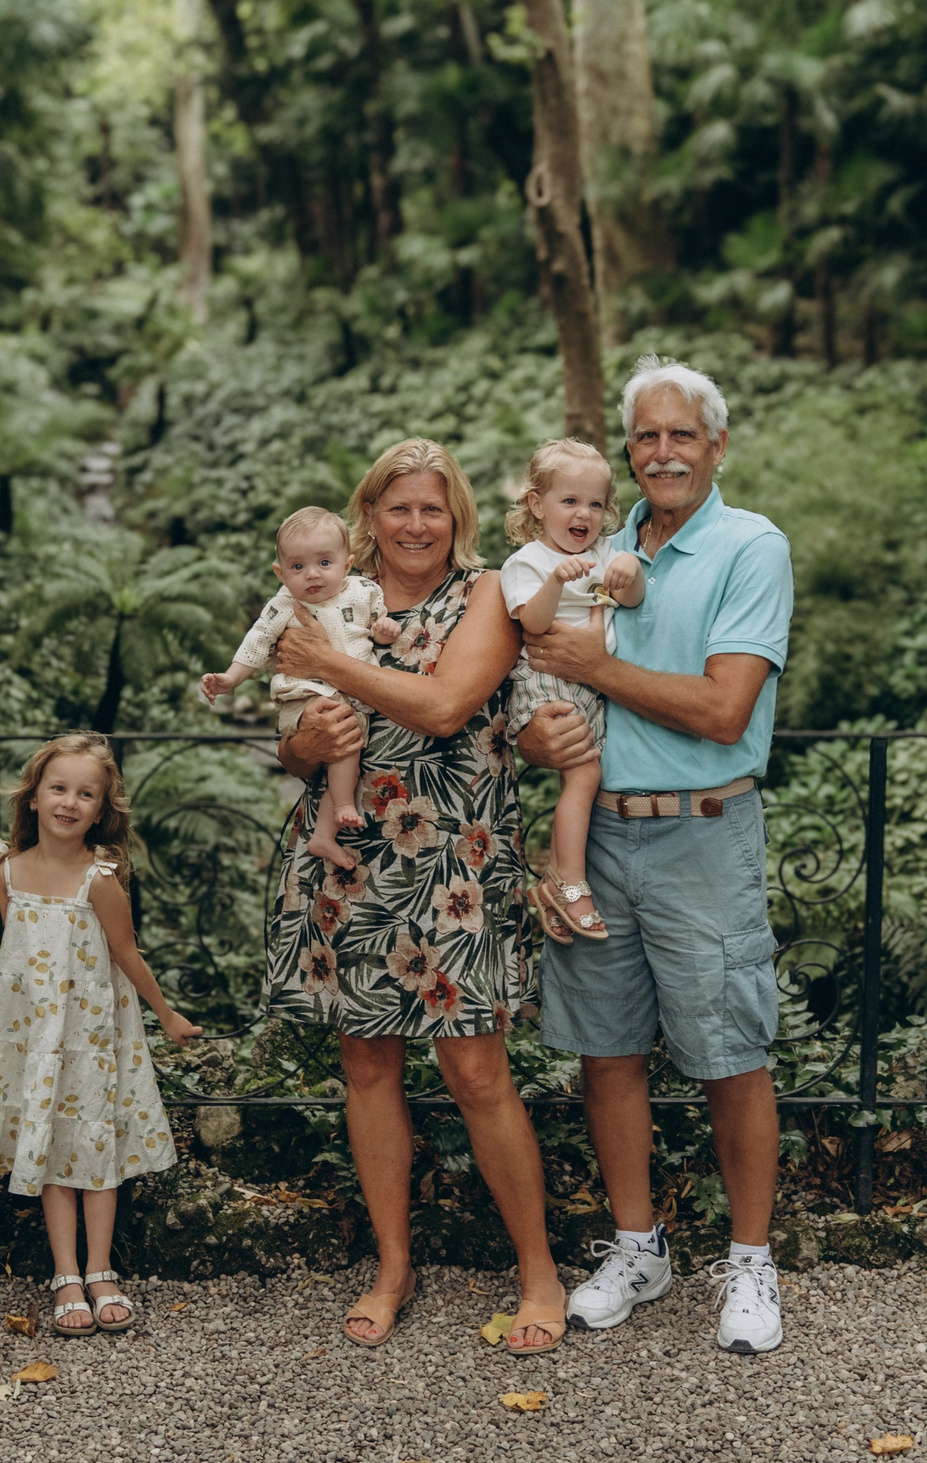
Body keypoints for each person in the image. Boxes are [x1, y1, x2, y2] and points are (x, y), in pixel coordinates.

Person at [262, 438, 568, 1355]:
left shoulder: (484, 594)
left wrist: (330, 662)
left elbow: (443, 706)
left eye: (433, 508)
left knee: (477, 1072)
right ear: (370, 516)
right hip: (351, 853)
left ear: (457, 517)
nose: (415, 524)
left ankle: (540, 1273)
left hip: (454, 861)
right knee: (366, 1068)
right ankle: (392, 1264)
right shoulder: (333, 594)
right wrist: (309, 737)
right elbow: (291, 749)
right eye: (398, 508)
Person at [515, 357, 795, 1355]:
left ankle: (751, 1261)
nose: (663, 453)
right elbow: (536, 692)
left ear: (715, 444)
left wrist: (599, 667)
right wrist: (532, 740)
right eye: (645, 436)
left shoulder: (748, 547)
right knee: (606, 1051)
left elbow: (725, 712)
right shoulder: (592, 542)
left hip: (701, 832)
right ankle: (639, 1246)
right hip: (594, 835)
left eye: (681, 435)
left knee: (730, 1052)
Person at [0, 734, 202, 1336]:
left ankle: (100, 1267)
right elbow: (23, 956)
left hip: (90, 1033)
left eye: (86, 794)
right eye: (58, 788)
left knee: (93, 1141)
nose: (70, 802)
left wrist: (166, 1014)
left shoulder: (101, 878)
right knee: (50, 1139)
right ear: (32, 797)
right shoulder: (6, 873)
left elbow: (124, 952)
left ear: (101, 808)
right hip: (36, 1035)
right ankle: (65, 1272)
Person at [496, 438, 646, 942]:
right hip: (547, 681)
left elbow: (629, 596)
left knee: (585, 777)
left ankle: (556, 881)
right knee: (584, 776)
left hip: (592, 682)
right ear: (537, 505)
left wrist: (631, 572)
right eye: (569, 501)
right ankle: (572, 882)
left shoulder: (605, 551)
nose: (584, 514)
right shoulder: (529, 562)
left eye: (596, 504)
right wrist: (557, 581)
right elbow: (532, 623)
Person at [200, 507, 403, 871]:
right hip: (305, 695)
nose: (312, 574)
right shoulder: (284, 606)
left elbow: (376, 627)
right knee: (344, 748)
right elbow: (257, 642)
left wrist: (384, 630)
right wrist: (230, 679)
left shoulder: (363, 592)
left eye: (325, 562)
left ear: (347, 563)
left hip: (354, 696)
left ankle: (324, 835)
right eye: (297, 567)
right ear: (280, 573)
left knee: (346, 751)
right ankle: (341, 809)